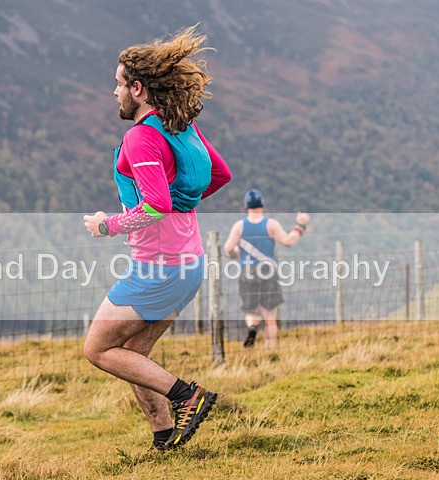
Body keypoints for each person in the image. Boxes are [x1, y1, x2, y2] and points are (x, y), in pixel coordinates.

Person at [82, 27, 231, 450]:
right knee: (131, 351)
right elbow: (220, 175)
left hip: (159, 269)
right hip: (190, 263)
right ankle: (164, 437)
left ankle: (190, 396)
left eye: (118, 84)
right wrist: (183, 201)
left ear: (138, 88)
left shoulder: (142, 135)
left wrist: (105, 225)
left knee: (97, 348)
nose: (114, 93)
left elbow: (154, 205)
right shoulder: (181, 127)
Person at [223, 189, 310, 349]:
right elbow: (288, 241)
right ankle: (270, 351)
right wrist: (301, 225)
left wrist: (237, 254)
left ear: (246, 207)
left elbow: (228, 248)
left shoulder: (239, 226)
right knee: (270, 317)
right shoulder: (271, 224)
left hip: (247, 272)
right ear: (261, 205)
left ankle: (252, 328)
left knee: (251, 311)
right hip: (267, 271)